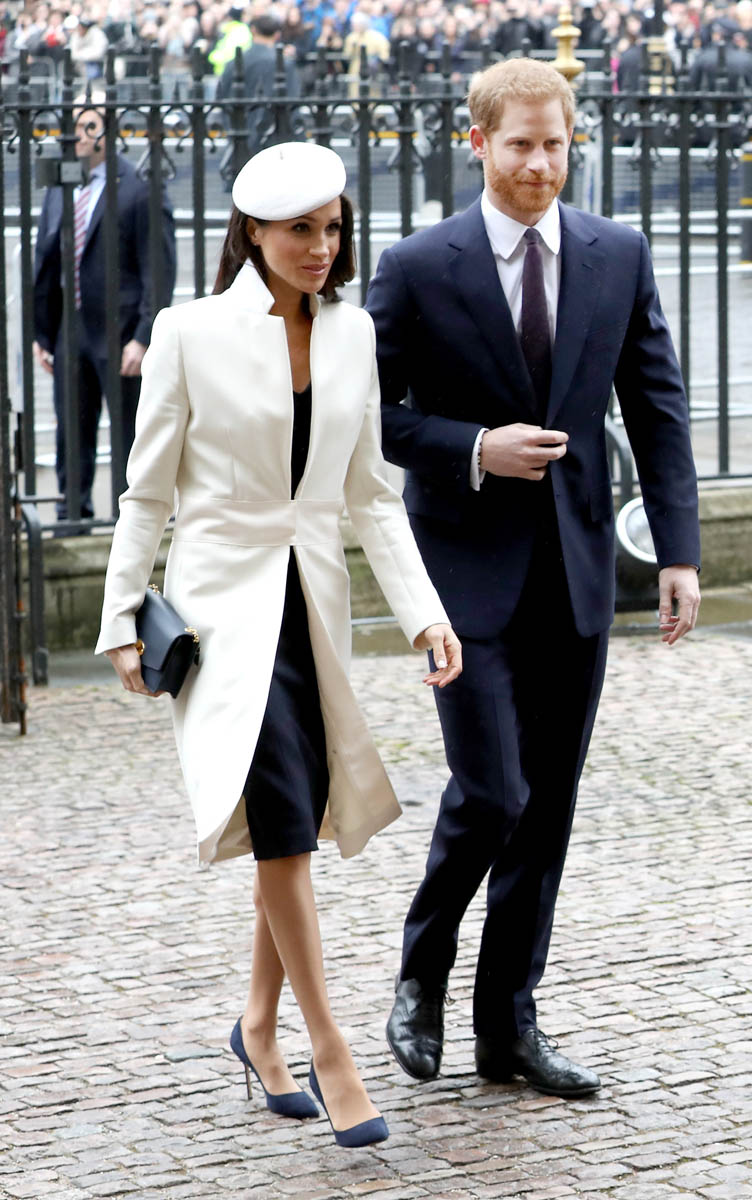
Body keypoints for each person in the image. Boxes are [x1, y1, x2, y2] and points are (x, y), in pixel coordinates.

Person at [95, 142, 462, 1148]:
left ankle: (256, 1027)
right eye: (300, 229)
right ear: (252, 232)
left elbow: (371, 494)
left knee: (288, 821)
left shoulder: (353, 332)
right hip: (221, 618)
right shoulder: (188, 333)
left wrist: (426, 613)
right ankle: (330, 1049)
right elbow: (145, 493)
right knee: (284, 826)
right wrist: (121, 615)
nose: (321, 246)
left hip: (314, 609)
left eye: (332, 228)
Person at [367, 57, 701, 1098]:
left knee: (545, 808)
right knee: (492, 792)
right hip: (462, 575)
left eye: (554, 144)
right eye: (518, 144)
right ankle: (421, 972)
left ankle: (507, 1025)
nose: (538, 165)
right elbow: (367, 418)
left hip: (576, 571)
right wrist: (474, 446)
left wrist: (678, 551)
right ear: (478, 143)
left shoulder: (618, 253)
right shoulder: (417, 266)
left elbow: (656, 405)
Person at [33, 96, 176, 522]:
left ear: (109, 133)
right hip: (70, 328)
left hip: (122, 331)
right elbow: (47, 258)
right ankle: (72, 518)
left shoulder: (139, 186)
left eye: (88, 125)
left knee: (130, 434)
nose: (76, 134)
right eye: (72, 125)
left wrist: (143, 336)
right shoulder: (61, 184)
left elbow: (158, 267)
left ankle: (132, 523)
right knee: (71, 430)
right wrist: (43, 333)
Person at [216, 15, 301, 153]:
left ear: (253, 30)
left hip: (240, 135)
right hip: (274, 142)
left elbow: (222, 98)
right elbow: (292, 105)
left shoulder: (233, 63)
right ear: (277, 35)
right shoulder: (284, 64)